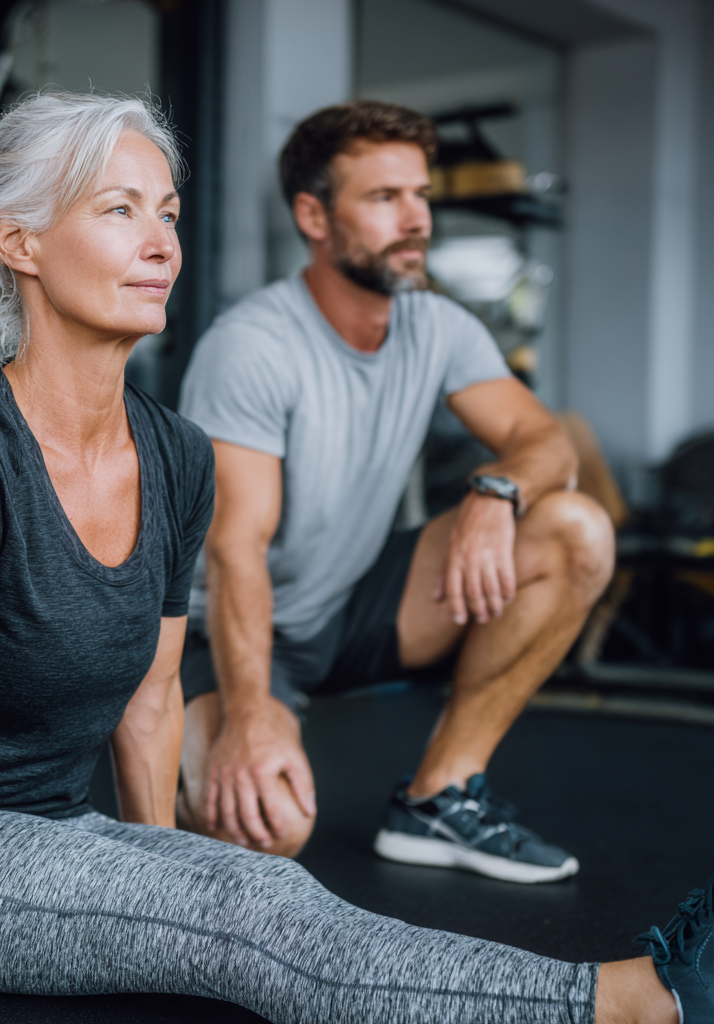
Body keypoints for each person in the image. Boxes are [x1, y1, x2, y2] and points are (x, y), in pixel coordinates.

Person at [0, 91, 705, 1024]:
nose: (160, 244)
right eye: (121, 211)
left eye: (169, 214)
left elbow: (150, 694)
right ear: (21, 243)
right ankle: (638, 998)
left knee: (224, 888)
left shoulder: (173, 451)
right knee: (247, 899)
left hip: (50, 826)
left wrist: (160, 867)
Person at [176, 100, 616, 881]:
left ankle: (439, 798)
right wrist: (249, 722)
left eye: (420, 195)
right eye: (384, 199)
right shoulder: (252, 345)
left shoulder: (437, 327)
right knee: (263, 831)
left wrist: (495, 491)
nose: (416, 219)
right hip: (228, 635)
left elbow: (545, 441)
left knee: (575, 529)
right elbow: (233, 550)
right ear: (313, 215)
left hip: (350, 606)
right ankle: (208, 741)